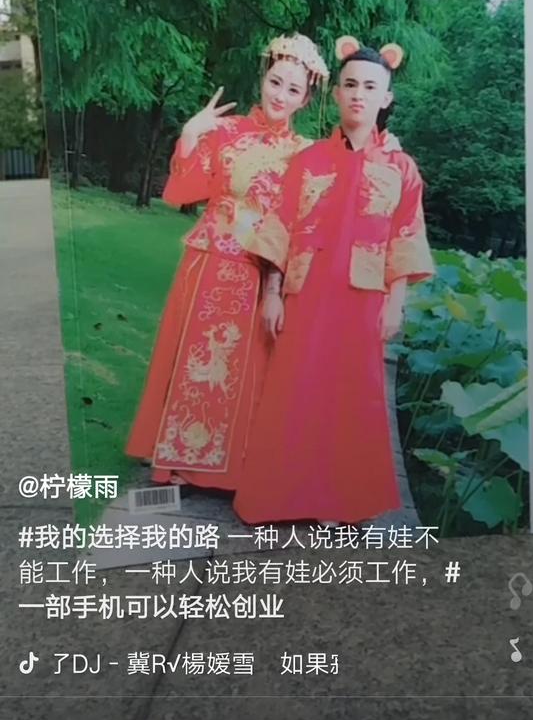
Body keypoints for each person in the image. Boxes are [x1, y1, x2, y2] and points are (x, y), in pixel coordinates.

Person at [233, 36, 434, 526]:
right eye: (350, 85)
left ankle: (339, 504)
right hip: (305, 293)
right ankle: (278, 499)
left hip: (363, 299)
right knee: (294, 391)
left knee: (350, 398)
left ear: (386, 98)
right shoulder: (308, 162)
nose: (358, 94)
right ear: (337, 93)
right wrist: (272, 294)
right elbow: (279, 227)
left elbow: (405, 236)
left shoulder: (402, 169)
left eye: (370, 87)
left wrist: (396, 302)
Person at [125, 33, 329, 490]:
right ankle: (180, 459)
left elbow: (303, 222)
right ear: (263, 78)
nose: (280, 96)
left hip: (261, 270)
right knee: (199, 361)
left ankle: (233, 465)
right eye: (275, 82)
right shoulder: (227, 131)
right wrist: (190, 134)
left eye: (293, 90)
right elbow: (182, 192)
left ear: (306, 99)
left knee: (245, 370)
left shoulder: (306, 153)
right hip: (210, 261)